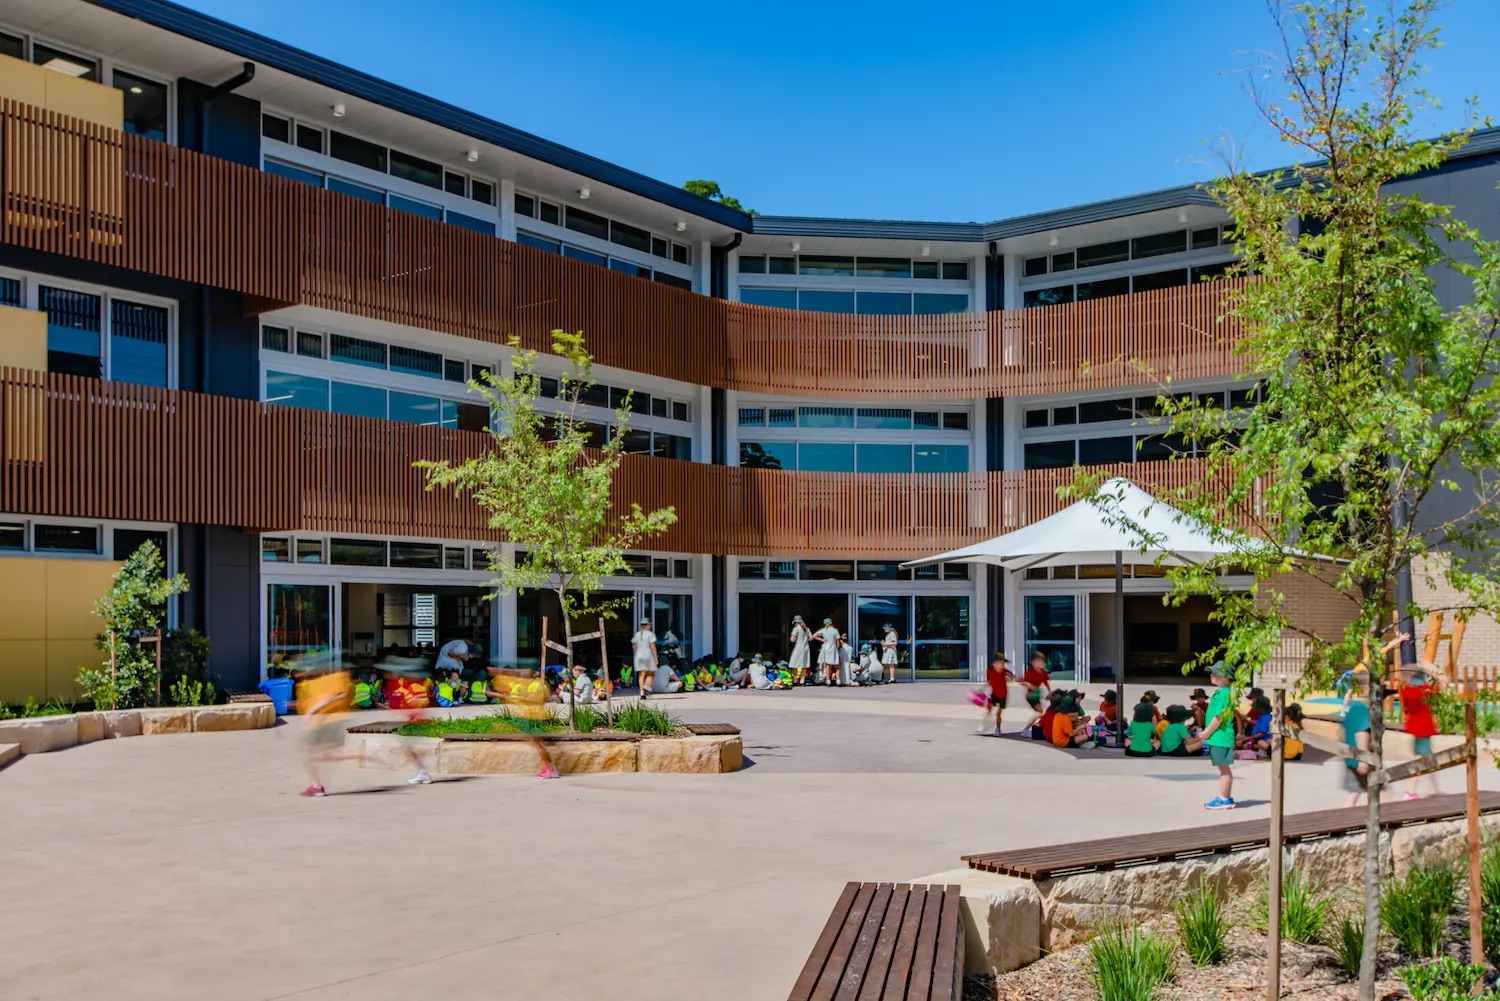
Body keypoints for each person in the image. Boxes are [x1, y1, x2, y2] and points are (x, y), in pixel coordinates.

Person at [489, 666, 560, 779]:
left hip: (535, 719)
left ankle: (550, 769)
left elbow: (537, 699)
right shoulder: (529, 684)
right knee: (536, 744)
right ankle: (548, 768)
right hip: (530, 718)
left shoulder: (537, 685)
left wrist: (520, 698)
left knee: (538, 745)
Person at [296, 665, 356, 796]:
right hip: (325, 722)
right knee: (316, 754)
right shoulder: (314, 683)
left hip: (329, 722)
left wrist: (314, 709)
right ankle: (317, 785)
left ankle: (317, 786)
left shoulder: (336, 679)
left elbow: (339, 695)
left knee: (309, 754)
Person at [1398, 663, 1441, 800]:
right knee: (1421, 759)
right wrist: (1432, 669)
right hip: (1424, 727)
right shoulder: (1427, 690)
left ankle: (1435, 789)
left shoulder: (1405, 689)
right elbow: (1439, 685)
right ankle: (1410, 792)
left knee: (1428, 760)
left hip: (1414, 725)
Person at [1200, 662, 1238, 810]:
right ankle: (1225, 797)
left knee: (1224, 769)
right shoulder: (1221, 692)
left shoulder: (1225, 694)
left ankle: (1224, 798)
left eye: (1216, 673)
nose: (1212, 675)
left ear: (1226, 677)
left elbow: (1218, 718)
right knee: (1222, 768)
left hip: (1220, 736)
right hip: (1217, 736)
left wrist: (1207, 732)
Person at [1343, 670, 1375, 807]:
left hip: (1352, 756)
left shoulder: (1354, 706)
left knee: (1357, 792)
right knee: (1377, 791)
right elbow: (1361, 733)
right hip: (1360, 758)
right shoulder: (1362, 708)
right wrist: (1363, 760)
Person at [977, 653, 1012, 736]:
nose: (1001, 665)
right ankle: (983, 725)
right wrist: (982, 689)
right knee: (989, 709)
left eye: (1003, 663)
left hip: (1003, 695)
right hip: (994, 694)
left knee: (998, 713)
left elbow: (1013, 677)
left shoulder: (1005, 671)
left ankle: (998, 729)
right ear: (994, 663)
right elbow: (989, 682)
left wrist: (1009, 679)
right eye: (1000, 662)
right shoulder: (990, 671)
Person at [1017, 652, 1052, 735]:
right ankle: (1026, 729)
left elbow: (1046, 683)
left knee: (1041, 713)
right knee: (1040, 713)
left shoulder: (1043, 673)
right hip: (1031, 696)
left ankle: (1038, 728)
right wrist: (1031, 686)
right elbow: (1021, 681)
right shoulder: (1029, 673)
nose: (1040, 663)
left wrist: (1050, 692)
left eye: (1041, 661)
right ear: (1032, 662)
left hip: (1037, 695)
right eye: (1038, 661)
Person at [632, 618, 658, 699]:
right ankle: (646, 686)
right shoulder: (650, 634)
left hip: (638, 656)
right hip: (648, 655)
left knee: (641, 673)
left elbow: (634, 646)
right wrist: (656, 658)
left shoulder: (637, 634)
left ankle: (642, 692)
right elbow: (653, 646)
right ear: (648, 625)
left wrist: (637, 653)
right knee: (651, 672)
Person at [813, 617, 840, 685]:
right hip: (833, 647)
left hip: (826, 647)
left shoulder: (823, 630)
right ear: (831, 623)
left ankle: (828, 680)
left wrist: (822, 640)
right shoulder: (835, 630)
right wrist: (837, 648)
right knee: (836, 665)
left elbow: (814, 636)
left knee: (828, 665)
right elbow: (838, 642)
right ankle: (838, 680)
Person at [789, 615, 812, 685]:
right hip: (806, 648)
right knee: (804, 664)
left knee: (794, 663)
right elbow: (811, 638)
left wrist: (794, 638)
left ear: (796, 622)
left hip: (798, 647)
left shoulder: (796, 629)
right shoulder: (807, 629)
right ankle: (802, 679)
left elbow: (792, 639)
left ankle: (795, 679)